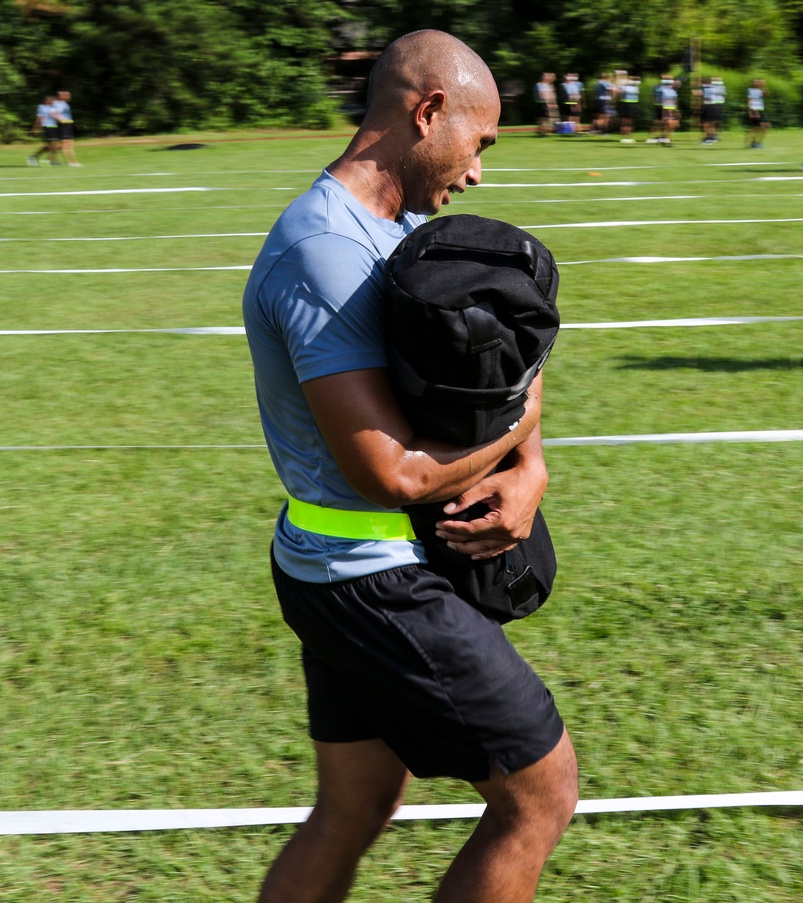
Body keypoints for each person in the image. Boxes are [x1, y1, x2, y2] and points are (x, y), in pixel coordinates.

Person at [242, 28, 577, 903]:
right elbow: (388, 472)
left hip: (359, 567)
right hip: (371, 576)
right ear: (428, 113)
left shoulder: (407, 227)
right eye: (480, 143)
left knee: (354, 806)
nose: (478, 172)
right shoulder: (326, 254)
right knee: (541, 796)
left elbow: (508, 370)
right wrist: (520, 433)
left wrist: (530, 467)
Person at [27, 94, 61, 166]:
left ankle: (36, 157)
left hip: (54, 126)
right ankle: (49, 159)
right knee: (51, 145)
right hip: (47, 126)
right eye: (51, 100)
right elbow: (39, 118)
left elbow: (58, 117)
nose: (53, 102)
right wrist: (36, 128)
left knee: (52, 145)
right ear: (46, 101)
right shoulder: (42, 107)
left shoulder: (53, 108)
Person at [53, 90, 81, 167]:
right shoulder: (60, 104)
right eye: (66, 95)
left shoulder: (62, 103)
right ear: (61, 96)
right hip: (64, 125)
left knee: (69, 144)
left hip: (67, 125)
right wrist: (61, 120)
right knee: (67, 144)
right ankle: (71, 162)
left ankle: (51, 158)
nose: (69, 96)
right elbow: (55, 114)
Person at [745, 78, 770, 148]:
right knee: (758, 127)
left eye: (759, 82)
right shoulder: (750, 90)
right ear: (752, 83)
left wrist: (765, 85)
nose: (758, 83)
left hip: (760, 109)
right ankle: (754, 143)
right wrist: (750, 111)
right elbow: (749, 100)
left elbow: (767, 94)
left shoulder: (760, 90)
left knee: (764, 126)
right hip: (754, 110)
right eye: (756, 82)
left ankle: (756, 142)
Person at [534, 72, 558, 136]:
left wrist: (553, 102)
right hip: (541, 103)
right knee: (543, 117)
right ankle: (542, 132)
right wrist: (547, 102)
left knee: (546, 117)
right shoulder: (539, 85)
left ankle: (543, 131)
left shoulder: (547, 85)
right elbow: (541, 94)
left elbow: (551, 94)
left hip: (548, 103)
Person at [618, 74, 640, 143]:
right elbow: (620, 95)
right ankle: (624, 137)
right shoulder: (624, 87)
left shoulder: (636, 87)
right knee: (625, 121)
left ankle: (629, 137)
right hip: (626, 103)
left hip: (633, 104)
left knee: (631, 121)